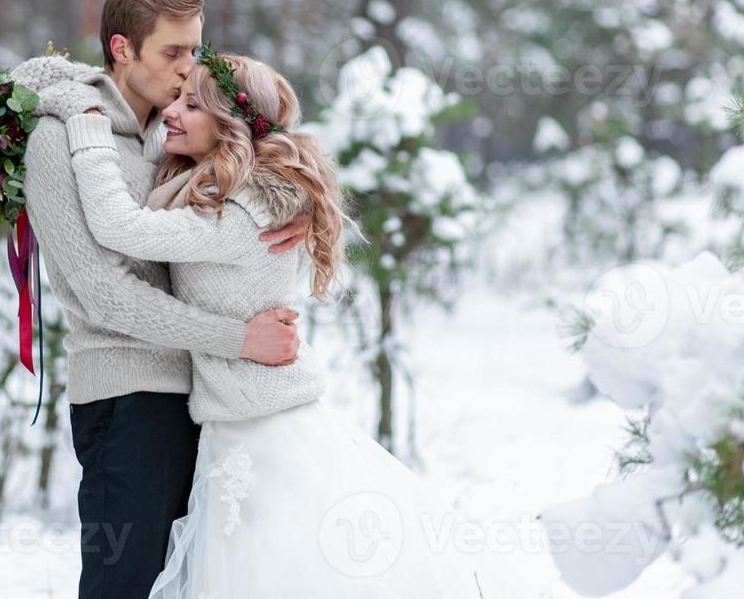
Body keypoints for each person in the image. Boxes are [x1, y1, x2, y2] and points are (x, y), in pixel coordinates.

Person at [44, 45, 514, 598]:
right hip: (238, 422)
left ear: (231, 127)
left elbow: (117, 226)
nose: (173, 109)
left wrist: (88, 125)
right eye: (180, 96)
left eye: (192, 105)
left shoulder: (238, 217)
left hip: (259, 433)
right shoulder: (234, 195)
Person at [8, 0, 311, 599]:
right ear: (123, 49)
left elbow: (249, 171)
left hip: (204, 400)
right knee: (124, 586)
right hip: (129, 400)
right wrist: (238, 339)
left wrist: (290, 203)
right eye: (173, 53)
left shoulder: (173, 134)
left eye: (195, 51)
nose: (186, 70)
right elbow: (103, 294)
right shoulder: (61, 137)